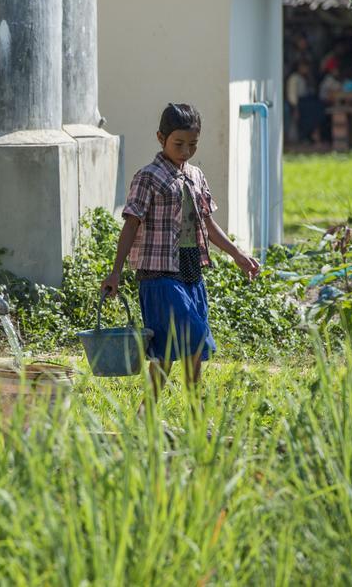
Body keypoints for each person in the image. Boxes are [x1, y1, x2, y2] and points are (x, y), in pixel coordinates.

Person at [100, 103, 260, 400]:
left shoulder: (196, 176)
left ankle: (184, 416)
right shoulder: (148, 177)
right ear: (161, 138)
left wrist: (238, 255)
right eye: (179, 144)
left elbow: (209, 224)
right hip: (158, 274)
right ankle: (160, 415)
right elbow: (131, 224)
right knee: (181, 343)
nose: (185, 151)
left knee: (187, 349)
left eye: (193, 144)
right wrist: (116, 271)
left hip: (191, 270)